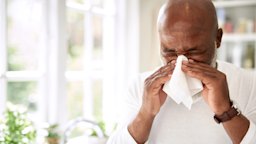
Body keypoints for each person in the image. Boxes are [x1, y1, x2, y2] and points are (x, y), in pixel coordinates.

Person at [107, 0, 256, 143]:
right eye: (169, 51)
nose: (181, 62)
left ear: (218, 39)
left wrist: (226, 111)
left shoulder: (248, 84)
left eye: (194, 51)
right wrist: (146, 113)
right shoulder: (141, 86)